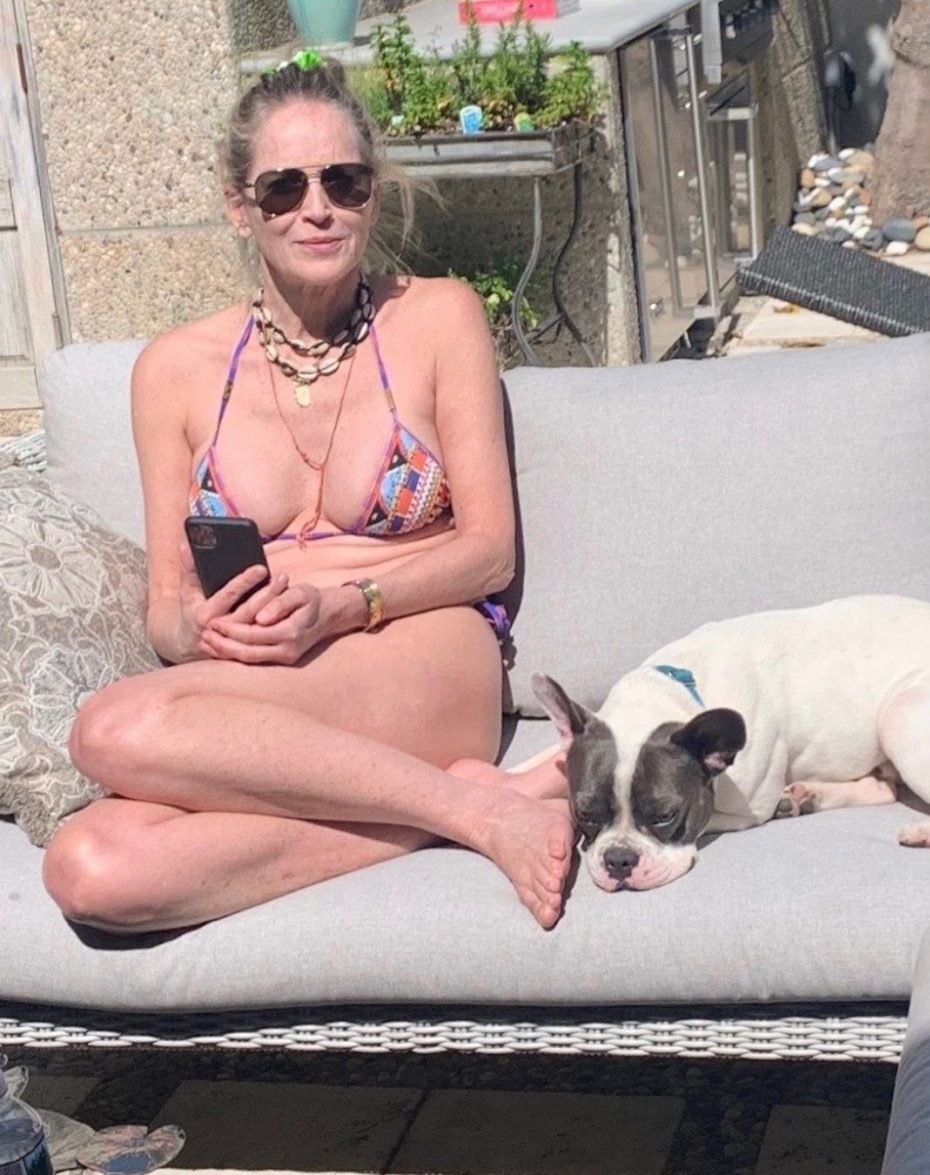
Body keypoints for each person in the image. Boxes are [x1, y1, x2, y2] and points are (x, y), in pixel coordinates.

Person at [42, 51, 573, 933]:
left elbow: (489, 552)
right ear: (239, 207)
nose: (317, 208)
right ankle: (467, 807)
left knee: (108, 728)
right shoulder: (172, 371)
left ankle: (468, 806)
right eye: (283, 188)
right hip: (268, 683)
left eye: (343, 181)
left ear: (373, 193)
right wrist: (199, 630)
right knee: (90, 867)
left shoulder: (438, 318)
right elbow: (166, 610)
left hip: (418, 648)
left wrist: (344, 601)